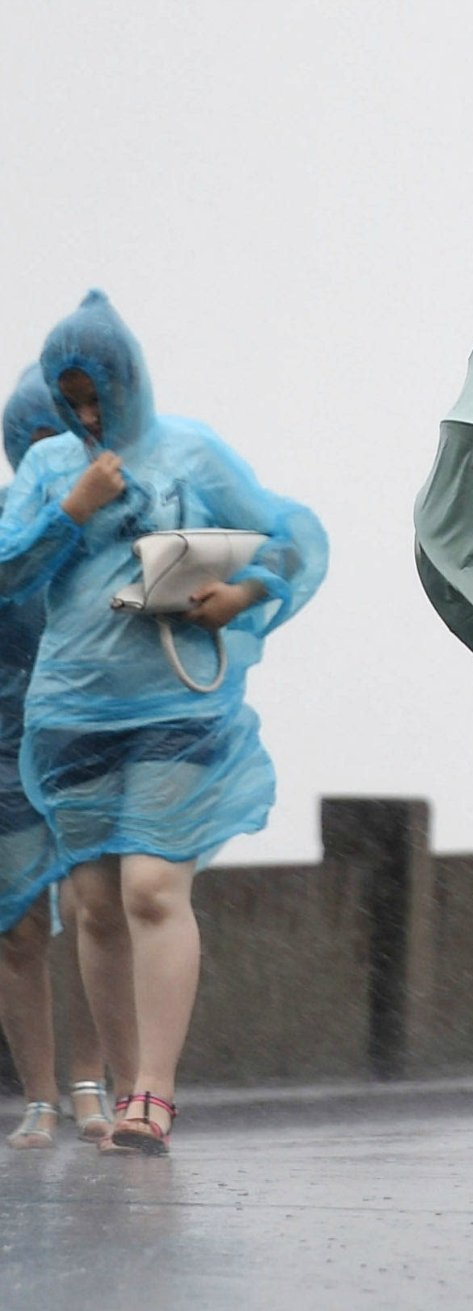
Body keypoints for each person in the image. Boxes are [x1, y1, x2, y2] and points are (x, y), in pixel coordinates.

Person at [0, 291, 327, 1156]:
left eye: (97, 392)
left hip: (178, 705)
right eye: (70, 398)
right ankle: (116, 1078)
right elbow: (6, 577)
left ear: (130, 378)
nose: (87, 412)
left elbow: (287, 537)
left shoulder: (191, 450)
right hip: (72, 710)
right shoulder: (45, 471)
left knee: (151, 887)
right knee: (96, 905)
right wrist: (69, 508)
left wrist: (242, 595)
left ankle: (156, 1088)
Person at [0, 366, 112, 1149]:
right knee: (16, 926)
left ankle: (90, 1086)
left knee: (96, 912)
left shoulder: (117, 522)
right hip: (6, 742)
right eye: (38, 436)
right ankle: (38, 1096)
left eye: (66, 433)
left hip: (88, 734)